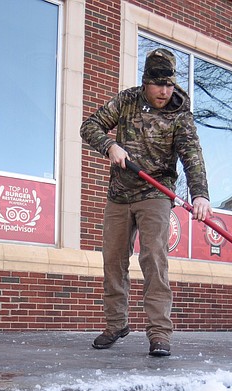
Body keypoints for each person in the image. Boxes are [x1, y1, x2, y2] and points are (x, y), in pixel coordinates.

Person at [80, 48, 212, 357]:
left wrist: (200, 194)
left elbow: (191, 155)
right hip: (120, 194)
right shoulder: (126, 101)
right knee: (113, 261)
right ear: (145, 82)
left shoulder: (179, 111)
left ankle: (159, 333)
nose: (164, 91)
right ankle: (116, 324)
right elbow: (89, 126)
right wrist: (109, 145)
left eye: (169, 84)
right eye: (158, 84)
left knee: (153, 259)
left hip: (156, 194)